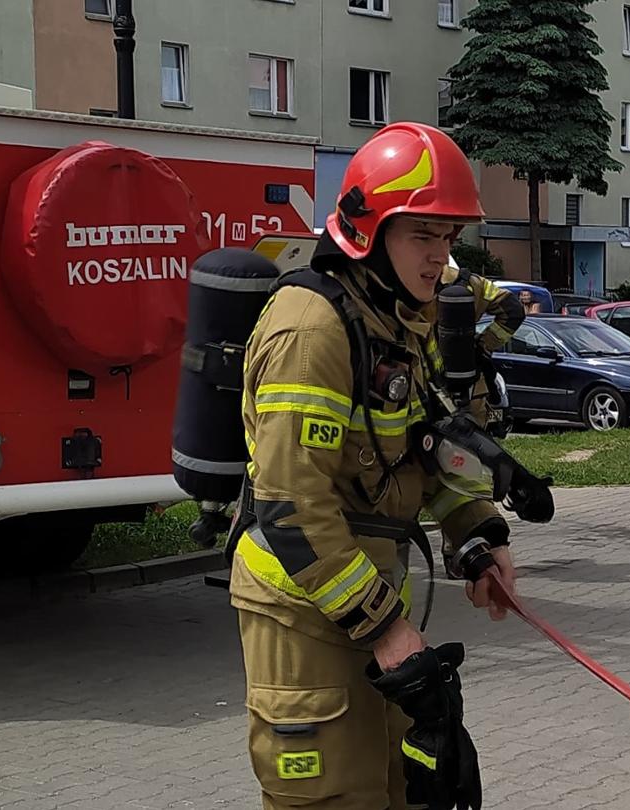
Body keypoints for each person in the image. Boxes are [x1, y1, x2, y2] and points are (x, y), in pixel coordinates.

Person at [232, 121, 514, 810]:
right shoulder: (312, 330)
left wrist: (478, 533)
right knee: (336, 800)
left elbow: (417, 454)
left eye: (448, 238)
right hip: (302, 615)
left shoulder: (394, 321)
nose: (439, 257)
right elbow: (292, 506)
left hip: (361, 603)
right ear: (368, 230)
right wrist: (387, 628)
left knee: (397, 793)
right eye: (423, 236)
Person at [437, 257, 525, 435]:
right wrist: (483, 345)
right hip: (471, 386)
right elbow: (513, 310)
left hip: (420, 385)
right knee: (473, 447)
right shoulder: (474, 284)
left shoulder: (408, 282)